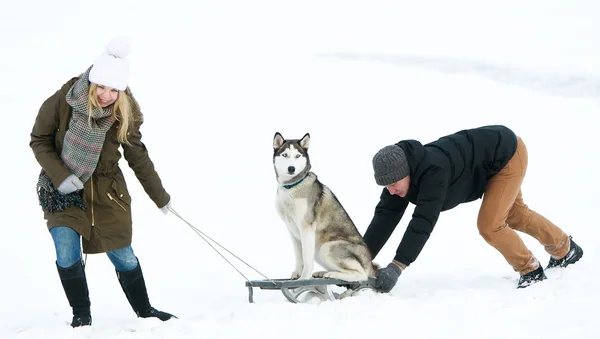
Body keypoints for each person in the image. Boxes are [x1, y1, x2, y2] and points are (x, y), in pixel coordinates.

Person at [30, 37, 176, 327]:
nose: (107, 95)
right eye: (102, 87)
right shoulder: (66, 97)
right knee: (66, 248)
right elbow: (39, 139)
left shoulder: (124, 112)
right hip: (63, 190)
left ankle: (145, 310)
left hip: (109, 194)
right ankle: (81, 315)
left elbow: (138, 157)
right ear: (92, 81)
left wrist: (160, 196)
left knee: (123, 255)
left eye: (114, 90)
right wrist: (62, 176)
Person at [363, 125, 583, 292]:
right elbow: (385, 217)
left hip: (506, 154)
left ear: (406, 171)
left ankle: (530, 271)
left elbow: (422, 221)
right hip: (487, 160)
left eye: (393, 184)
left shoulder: (434, 173)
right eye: (386, 186)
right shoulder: (398, 178)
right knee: (515, 215)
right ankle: (565, 249)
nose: (390, 190)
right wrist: (359, 258)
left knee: (490, 225)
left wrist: (397, 266)